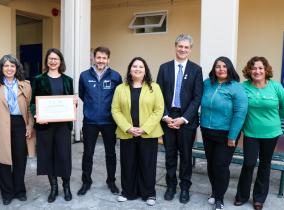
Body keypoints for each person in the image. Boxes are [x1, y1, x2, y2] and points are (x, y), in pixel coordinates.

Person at [234, 56, 284, 210]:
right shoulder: (243, 87)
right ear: (249, 70)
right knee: (248, 163)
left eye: (260, 68)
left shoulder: (276, 87)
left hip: (271, 133)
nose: (257, 71)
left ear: (266, 70)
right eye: (254, 68)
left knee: (265, 164)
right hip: (251, 133)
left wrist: (274, 119)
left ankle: (259, 198)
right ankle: (242, 196)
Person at [156, 34, 203, 203]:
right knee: (169, 155)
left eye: (186, 47)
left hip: (186, 120)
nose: (183, 49)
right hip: (168, 117)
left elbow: (197, 97)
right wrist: (166, 116)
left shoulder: (196, 70)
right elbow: (158, 94)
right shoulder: (164, 68)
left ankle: (184, 187)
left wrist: (184, 119)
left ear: (190, 50)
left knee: (185, 156)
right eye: (180, 46)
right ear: (175, 47)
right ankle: (170, 186)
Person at [111, 57, 164, 206]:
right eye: (134, 66)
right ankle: (128, 192)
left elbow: (158, 110)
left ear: (145, 70)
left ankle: (149, 194)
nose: (137, 69)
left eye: (141, 67)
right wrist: (128, 127)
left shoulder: (155, 87)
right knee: (128, 163)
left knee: (147, 164)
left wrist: (144, 128)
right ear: (130, 69)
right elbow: (115, 110)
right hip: (127, 132)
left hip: (148, 133)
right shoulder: (120, 88)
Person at [200, 56, 248, 210]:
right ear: (214, 69)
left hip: (226, 134)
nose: (221, 69)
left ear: (229, 68)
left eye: (224, 66)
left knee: (221, 165)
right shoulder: (207, 84)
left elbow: (240, 112)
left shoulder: (236, 87)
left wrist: (232, 136)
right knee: (211, 165)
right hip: (207, 131)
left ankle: (220, 198)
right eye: (217, 66)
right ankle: (214, 192)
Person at [0, 54, 34, 205]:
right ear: (1, 68)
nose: (9, 68)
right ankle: (7, 193)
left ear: (16, 68)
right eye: (6, 65)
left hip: (20, 123)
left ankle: (19, 190)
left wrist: (29, 125)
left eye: (12, 66)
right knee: (3, 161)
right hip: (1, 125)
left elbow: (29, 109)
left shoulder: (25, 85)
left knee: (20, 159)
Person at [30, 48, 75, 202]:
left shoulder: (68, 80)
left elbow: (71, 104)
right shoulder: (38, 79)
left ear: (60, 61)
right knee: (48, 156)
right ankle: (53, 188)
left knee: (63, 156)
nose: (53, 61)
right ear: (46, 61)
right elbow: (32, 103)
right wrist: (37, 115)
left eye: (56, 58)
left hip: (63, 126)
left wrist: (73, 104)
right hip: (45, 125)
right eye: (50, 58)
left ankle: (66, 187)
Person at [78, 46, 122, 195]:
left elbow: (119, 98)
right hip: (90, 122)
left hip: (109, 122)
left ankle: (111, 181)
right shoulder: (84, 76)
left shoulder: (116, 76)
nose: (101, 60)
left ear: (108, 59)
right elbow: (82, 95)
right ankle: (86, 182)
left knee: (111, 154)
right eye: (98, 57)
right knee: (87, 153)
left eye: (104, 58)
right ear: (93, 58)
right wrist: (92, 109)